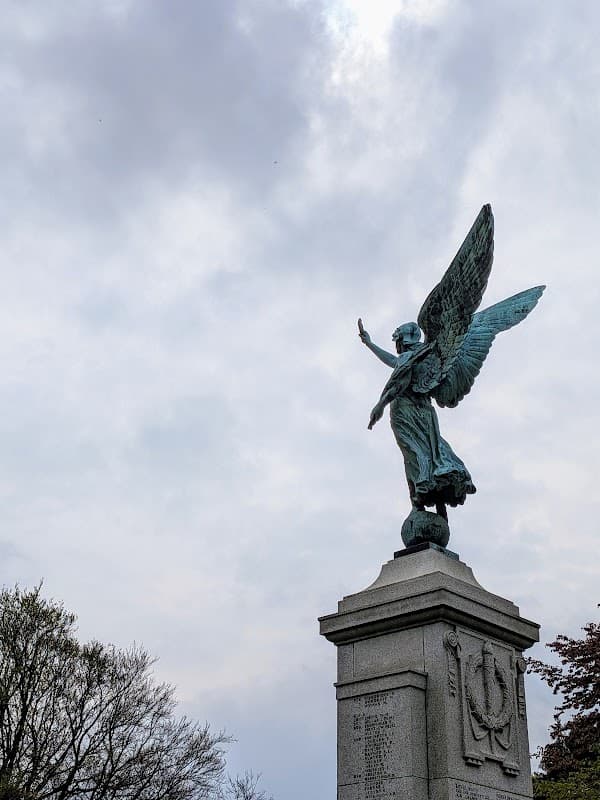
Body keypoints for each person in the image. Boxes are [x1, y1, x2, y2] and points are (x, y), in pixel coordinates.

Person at [358, 319, 476, 519]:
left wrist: (380, 405)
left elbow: (396, 384)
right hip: (426, 414)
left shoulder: (411, 357)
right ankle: (439, 507)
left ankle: (418, 503)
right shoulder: (428, 355)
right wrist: (369, 344)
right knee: (431, 453)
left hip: (406, 412)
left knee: (414, 455)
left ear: (402, 340)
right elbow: (393, 362)